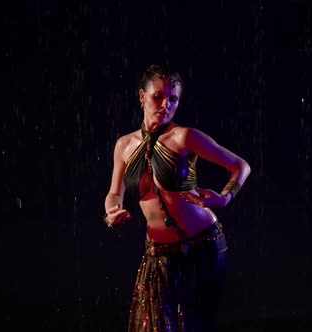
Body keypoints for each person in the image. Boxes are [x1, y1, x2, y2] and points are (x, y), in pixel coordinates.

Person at [103, 64, 251, 332]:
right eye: (158, 96)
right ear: (141, 97)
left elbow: (241, 166)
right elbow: (114, 193)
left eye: (173, 98)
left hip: (203, 246)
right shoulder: (124, 145)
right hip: (157, 253)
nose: (166, 105)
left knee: (193, 326)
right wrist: (111, 212)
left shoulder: (185, 136)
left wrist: (225, 197)